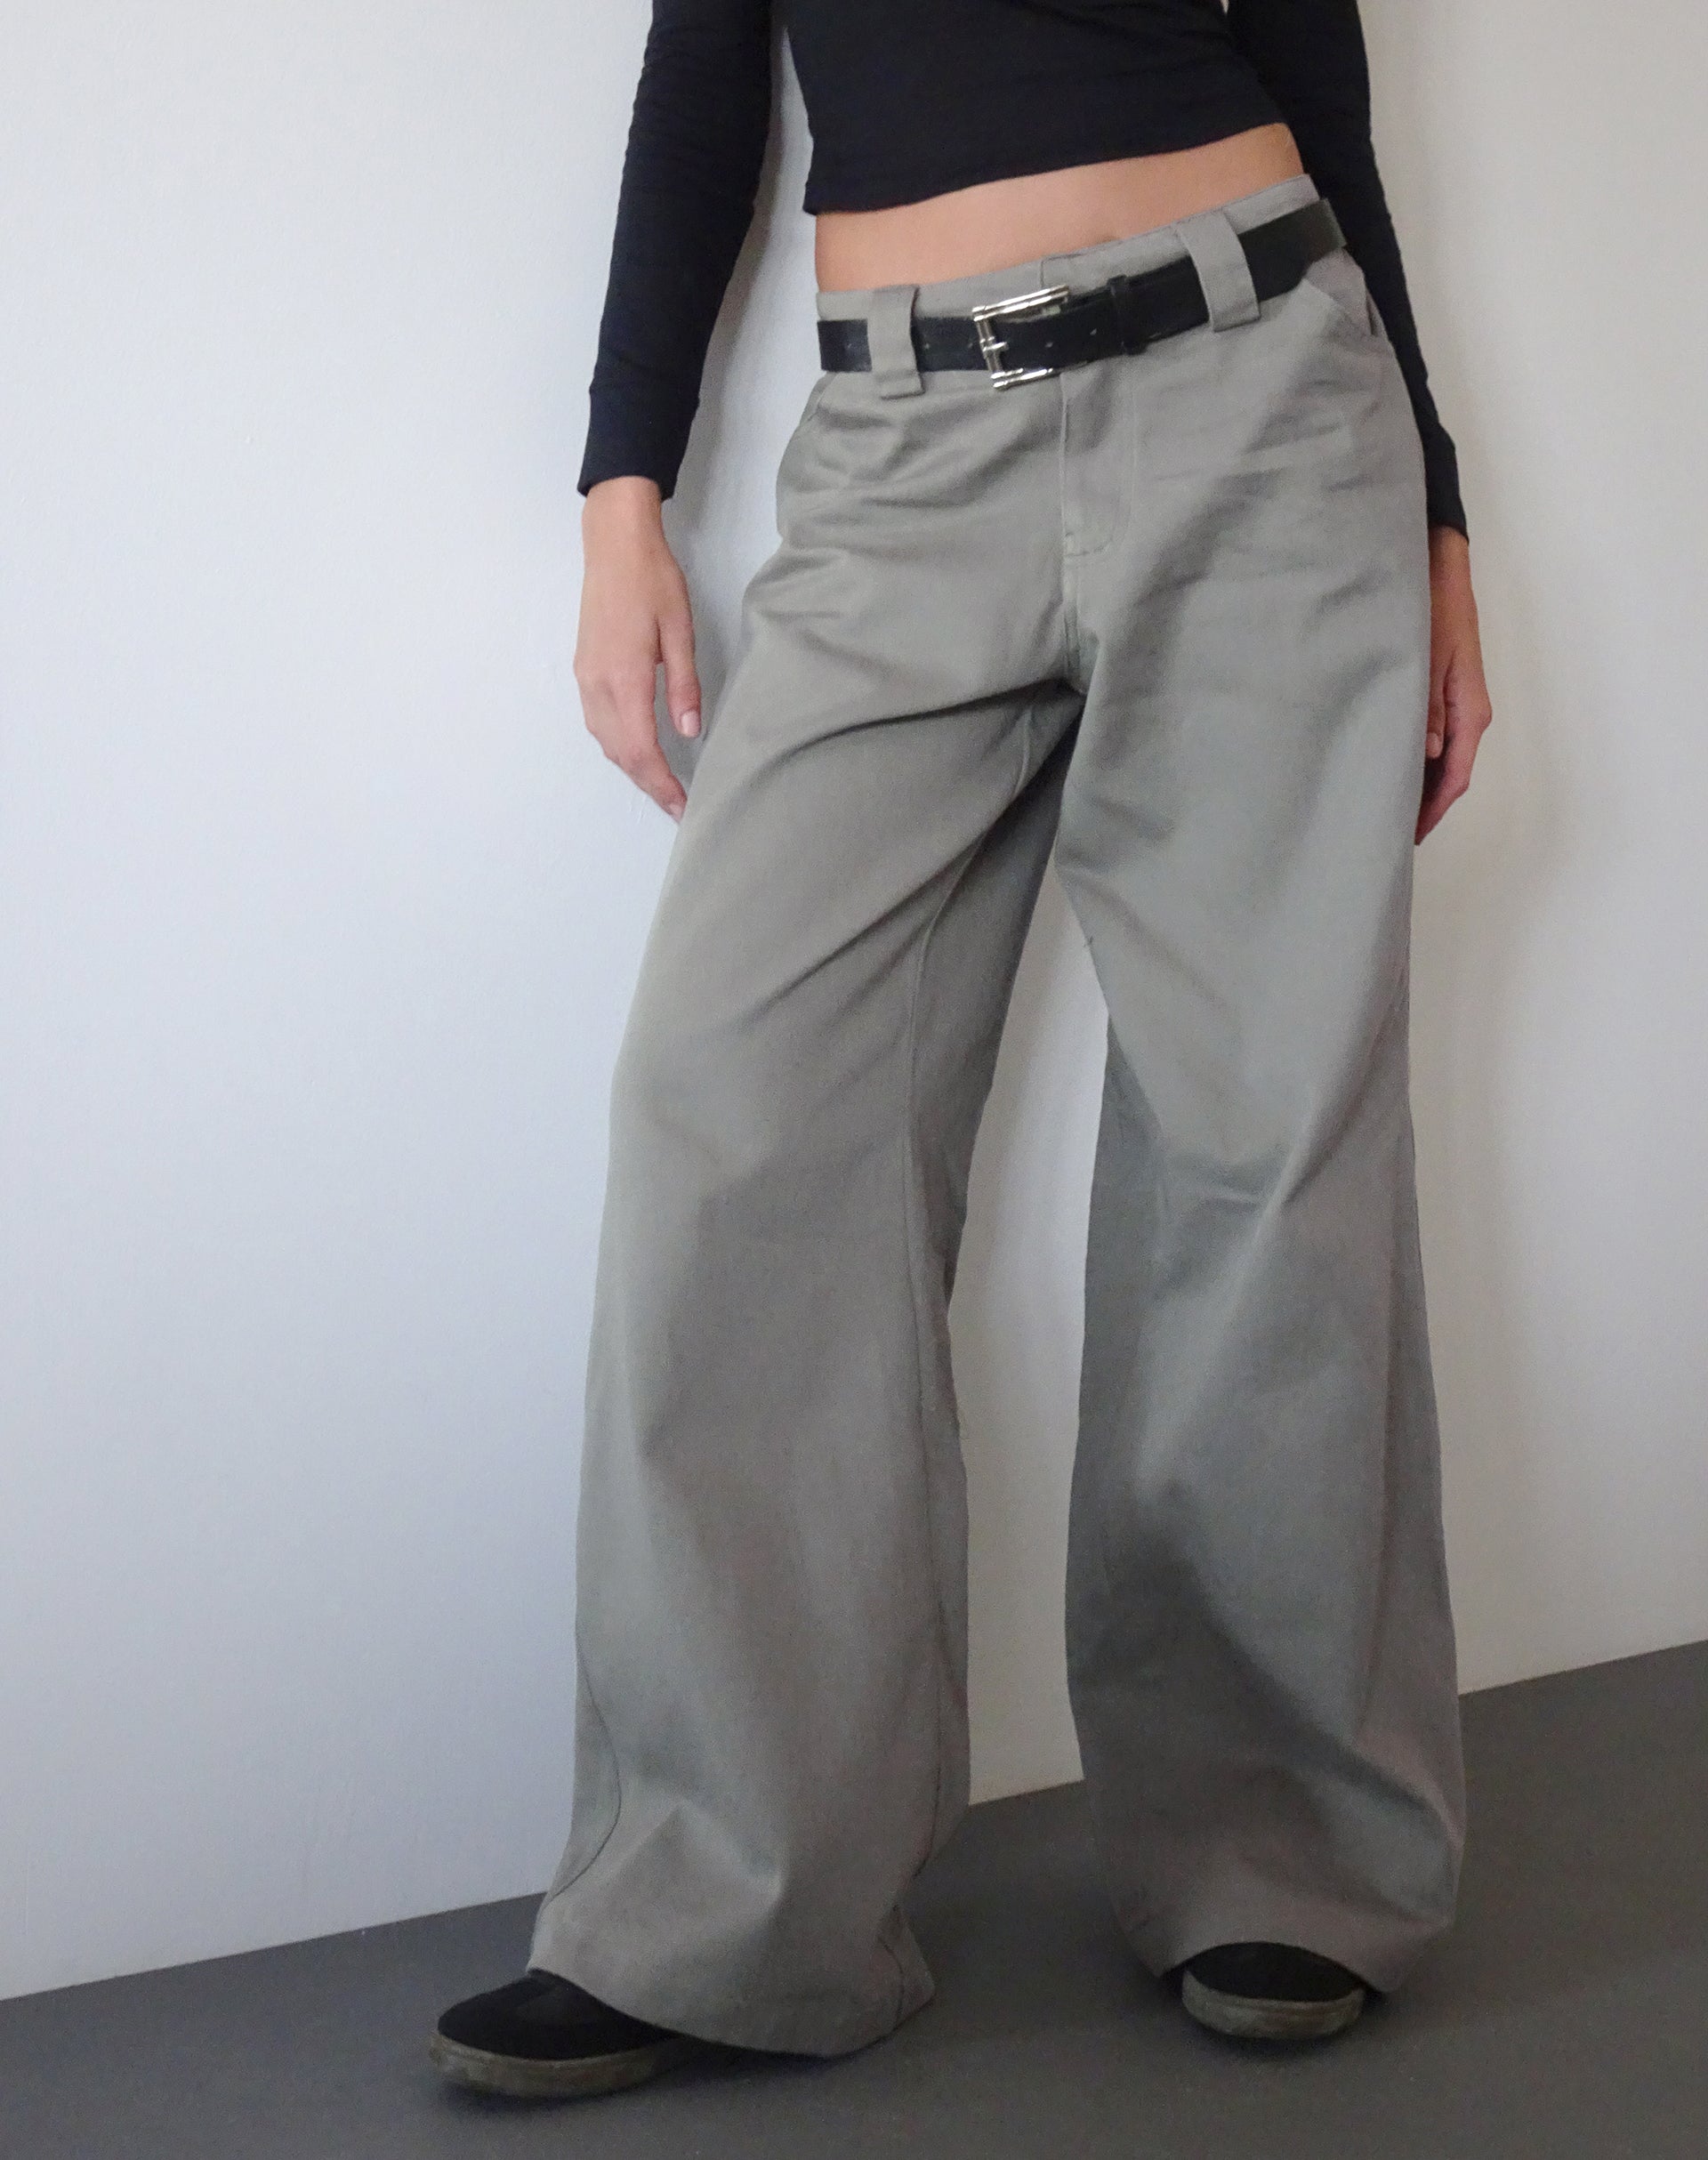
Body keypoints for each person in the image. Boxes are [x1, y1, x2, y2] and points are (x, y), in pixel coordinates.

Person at [431, 0, 1494, 2100]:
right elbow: (704, 83)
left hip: (1266, 399)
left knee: (1265, 1132)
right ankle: (728, 1900)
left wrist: (1441, 512)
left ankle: (1284, 1857)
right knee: (732, 1109)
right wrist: (622, 486)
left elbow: (1314, 61)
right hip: (900, 452)